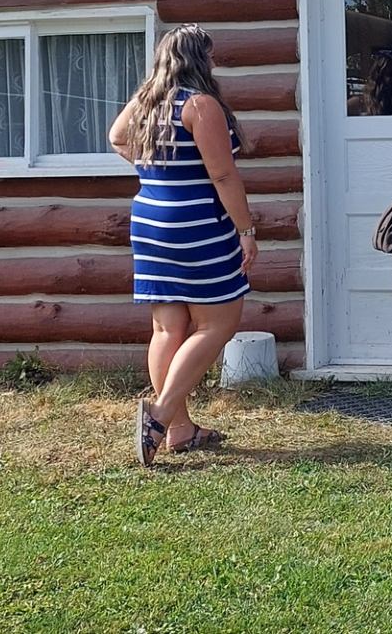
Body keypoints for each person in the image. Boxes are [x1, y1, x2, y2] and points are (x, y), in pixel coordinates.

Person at [108, 23, 258, 468]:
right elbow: (224, 176)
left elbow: (116, 137)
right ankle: (159, 414)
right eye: (209, 56)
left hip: (150, 219)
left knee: (167, 328)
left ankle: (179, 430)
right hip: (196, 223)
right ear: (199, 58)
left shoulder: (148, 102)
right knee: (218, 323)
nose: (214, 63)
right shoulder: (200, 104)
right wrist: (246, 231)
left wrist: (157, 171)